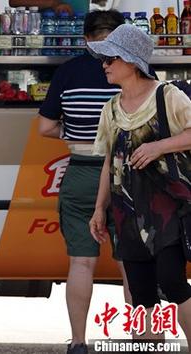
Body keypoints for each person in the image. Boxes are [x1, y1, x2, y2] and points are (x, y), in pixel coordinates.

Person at [88, 24, 191, 347]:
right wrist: (98, 209)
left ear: (132, 62)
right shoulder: (111, 108)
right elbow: (108, 163)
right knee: (141, 291)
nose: (104, 65)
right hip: (126, 210)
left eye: (110, 59)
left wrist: (159, 146)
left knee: (173, 283)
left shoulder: (168, 95)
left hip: (167, 207)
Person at [37, 10, 131, 354]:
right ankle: (142, 338)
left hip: (80, 171)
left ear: (85, 37)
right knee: (130, 262)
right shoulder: (131, 71)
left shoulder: (67, 72)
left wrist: (76, 135)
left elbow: (45, 128)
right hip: (124, 174)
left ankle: (78, 342)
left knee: (80, 262)